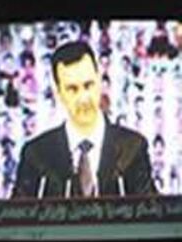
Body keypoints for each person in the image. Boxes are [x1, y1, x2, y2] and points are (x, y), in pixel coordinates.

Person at [12, 40, 157, 198]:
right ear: (58, 93)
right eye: (72, 89)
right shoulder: (36, 155)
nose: (83, 98)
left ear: (100, 81)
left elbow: (153, 215)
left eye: (88, 85)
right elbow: (15, 217)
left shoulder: (132, 149)